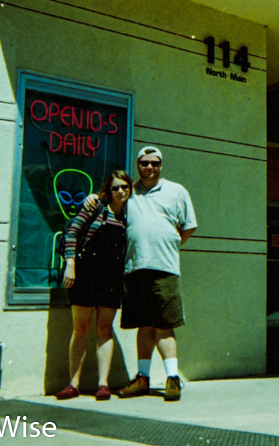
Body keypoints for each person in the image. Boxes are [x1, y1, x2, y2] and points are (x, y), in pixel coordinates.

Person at [84, 146, 197, 401]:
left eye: (154, 163)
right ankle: (143, 379)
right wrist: (91, 197)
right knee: (143, 325)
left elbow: (188, 227)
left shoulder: (176, 191)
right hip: (134, 268)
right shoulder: (128, 191)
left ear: (161, 165)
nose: (149, 167)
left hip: (165, 267)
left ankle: (172, 379)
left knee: (164, 325)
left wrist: (168, 244)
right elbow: (108, 199)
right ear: (138, 165)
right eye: (144, 163)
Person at [56, 170, 132, 401]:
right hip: (85, 274)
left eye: (124, 187)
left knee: (104, 330)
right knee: (80, 329)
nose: (120, 191)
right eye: (115, 187)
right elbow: (72, 232)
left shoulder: (131, 216)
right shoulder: (96, 207)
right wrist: (70, 264)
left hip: (111, 279)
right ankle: (73, 384)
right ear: (108, 191)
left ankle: (103, 384)